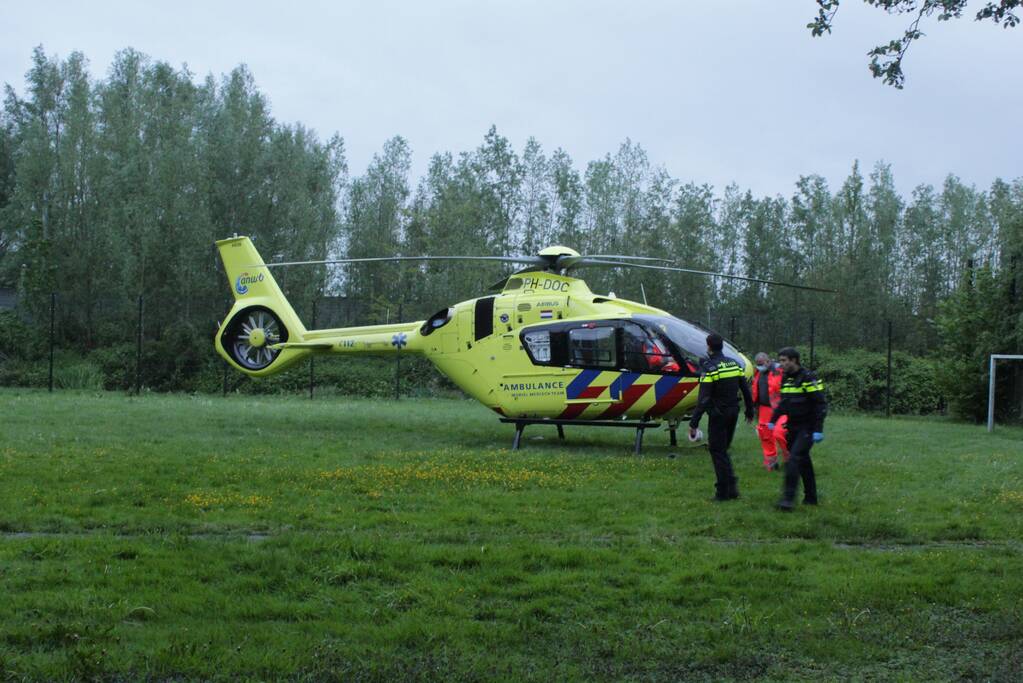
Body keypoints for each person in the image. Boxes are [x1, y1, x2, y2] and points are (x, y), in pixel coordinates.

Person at [688, 333, 754, 501]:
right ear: (722, 346)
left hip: (719, 414)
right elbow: (745, 389)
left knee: (717, 451)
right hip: (733, 412)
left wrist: (693, 422)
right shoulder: (734, 364)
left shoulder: (711, 368)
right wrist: (749, 410)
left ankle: (722, 493)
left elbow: (703, 398)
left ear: (708, 346)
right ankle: (732, 489)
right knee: (723, 451)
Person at [767, 347, 827, 511]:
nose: (781, 364)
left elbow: (820, 404)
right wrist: (773, 420)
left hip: (807, 427)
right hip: (792, 426)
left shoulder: (809, 377)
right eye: (780, 361)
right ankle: (811, 498)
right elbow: (784, 403)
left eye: (784, 360)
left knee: (793, 459)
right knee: (803, 462)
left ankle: (788, 499)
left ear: (794, 360)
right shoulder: (786, 378)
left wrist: (818, 429)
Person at [752, 351, 789, 471]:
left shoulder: (780, 370)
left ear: (768, 361)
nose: (760, 366)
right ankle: (771, 462)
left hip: (780, 408)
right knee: (765, 435)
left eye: (761, 363)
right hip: (764, 408)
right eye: (758, 364)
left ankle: (789, 458)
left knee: (780, 433)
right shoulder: (758, 372)